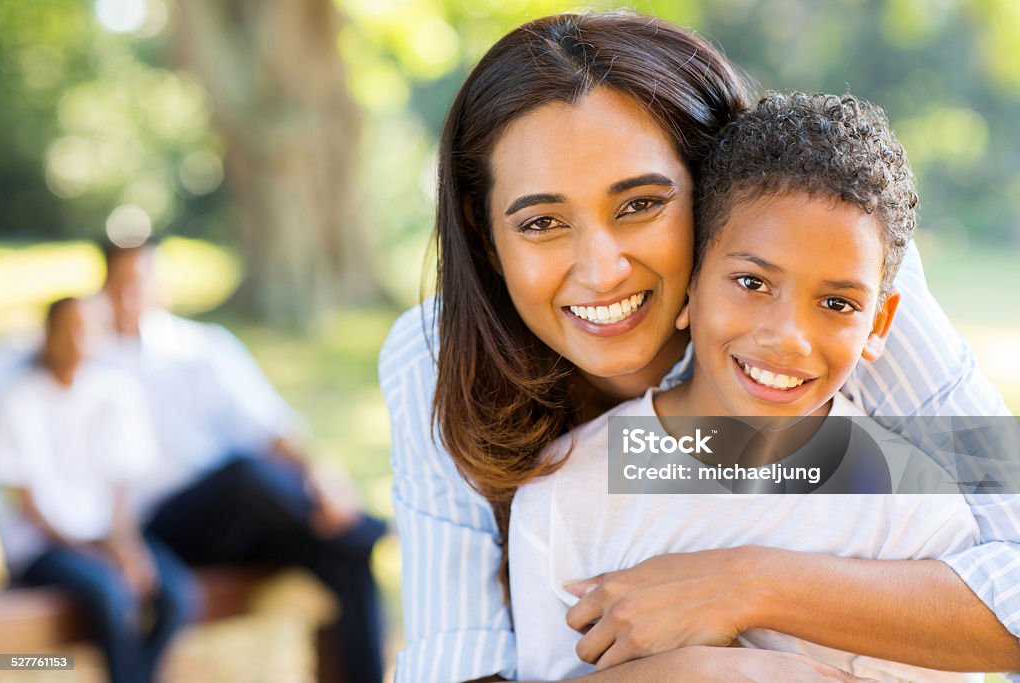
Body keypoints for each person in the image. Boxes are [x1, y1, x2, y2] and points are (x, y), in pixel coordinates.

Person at [378, 11, 1020, 683]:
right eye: (541, 222)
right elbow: (454, 661)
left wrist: (748, 583)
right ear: (487, 238)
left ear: (714, 188)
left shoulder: (844, 287)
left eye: (640, 204)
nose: (601, 270)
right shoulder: (435, 361)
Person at [510, 91, 989, 682]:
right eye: (751, 282)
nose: (788, 337)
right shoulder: (564, 495)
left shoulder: (915, 511)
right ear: (690, 281)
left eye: (837, 302)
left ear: (879, 324)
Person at [93, 241, 387, 683]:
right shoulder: (90, 359)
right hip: (160, 531)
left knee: (342, 556)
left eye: (143, 283)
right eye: (122, 286)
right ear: (103, 289)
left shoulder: (204, 347)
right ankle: (376, 531)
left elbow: (274, 429)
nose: (134, 296)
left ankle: (357, 543)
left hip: (239, 521)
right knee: (243, 476)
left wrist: (324, 480)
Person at [0, 298, 197, 683]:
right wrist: (98, 553)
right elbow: (29, 506)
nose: (77, 341)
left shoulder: (116, 393)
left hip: (103, 538)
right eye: (67, 329)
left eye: (87, 330)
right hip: (44, 545)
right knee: (110, 595)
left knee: (176, 594)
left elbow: (119, 486)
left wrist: (124, 547)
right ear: (48, 335)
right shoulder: (19, 400)